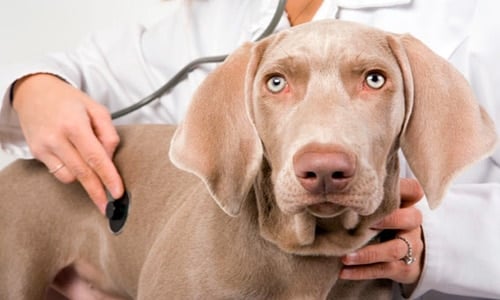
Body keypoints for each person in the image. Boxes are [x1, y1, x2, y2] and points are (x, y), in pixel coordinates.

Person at [0, 0, 498, 299]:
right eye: (277, 82)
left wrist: (445, 241)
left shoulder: (478, 17)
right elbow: (96, 70)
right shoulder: (224, 11)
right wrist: (32, 87)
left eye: (373, 80)